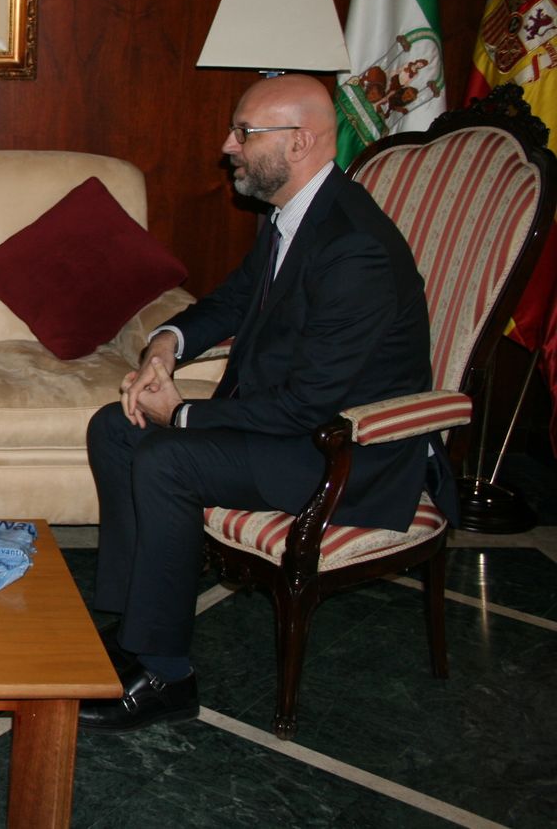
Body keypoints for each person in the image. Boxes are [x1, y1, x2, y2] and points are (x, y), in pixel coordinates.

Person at [79, 73, 455, 732]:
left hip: (346, 453)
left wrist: (185, 414)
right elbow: (227, 301)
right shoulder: (291, 215)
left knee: (167, 456)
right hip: (292, 427)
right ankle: (133, 630)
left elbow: (309, 403)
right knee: (116, 426)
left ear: (301, 141)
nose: (228, 145)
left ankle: (166, 676)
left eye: (245, 133)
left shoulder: (354, 248)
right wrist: (163, 349)